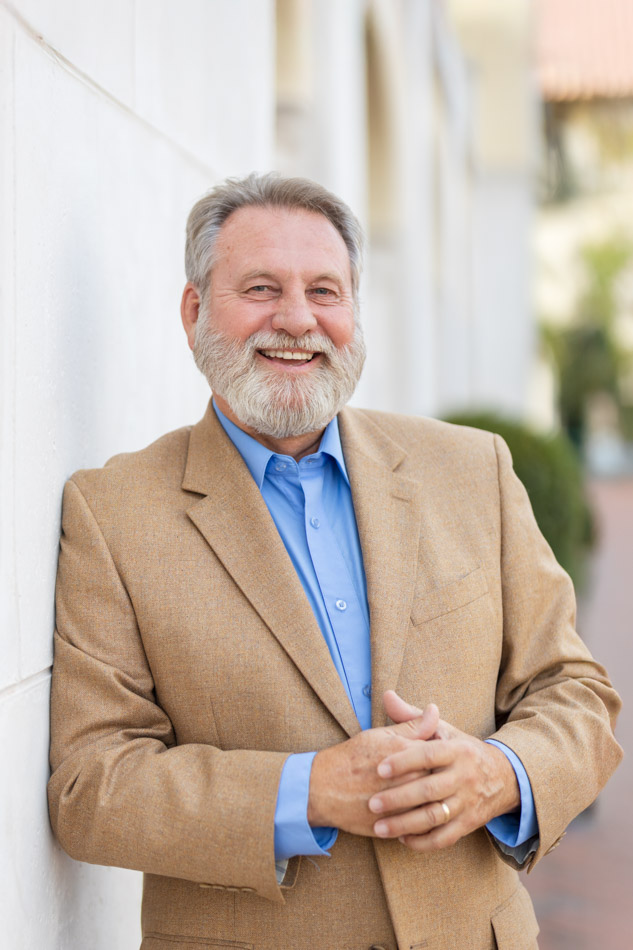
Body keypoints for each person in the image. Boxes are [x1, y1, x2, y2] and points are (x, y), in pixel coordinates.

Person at [48, 173, 622, 950]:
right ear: (194, 312)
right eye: (259, 287)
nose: (296, 319)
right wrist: (308, 791)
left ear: (353, 311)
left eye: (324, 290)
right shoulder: (113, 513)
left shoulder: (472, 469)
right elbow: (92, 785)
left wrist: (500, 773)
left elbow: (574, 691)